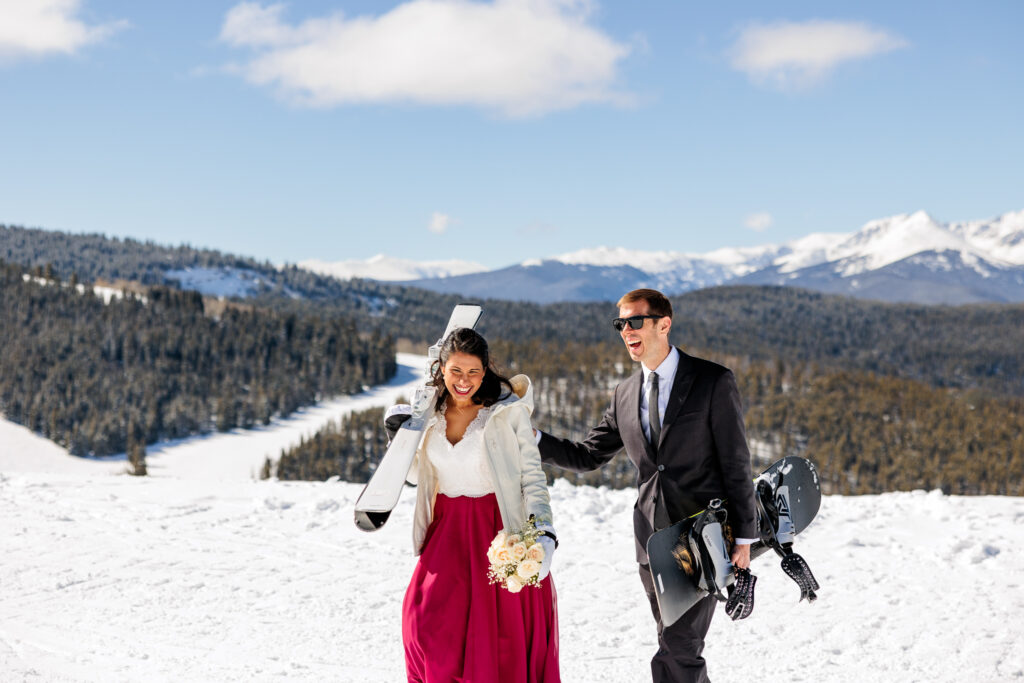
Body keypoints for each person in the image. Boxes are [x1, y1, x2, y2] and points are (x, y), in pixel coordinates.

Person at [535, 288, 756, 683]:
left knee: (680, 647)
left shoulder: (711, 381)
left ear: (663, 324)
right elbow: (588, 456)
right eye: (620, 323)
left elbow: (736, 462)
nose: (626, 330)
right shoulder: (624, 394)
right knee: (673, 642)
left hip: (700, 539)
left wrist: (744, 536)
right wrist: (531, 440)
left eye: (635, 321)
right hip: (650, 543)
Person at [396, 327, 560, 683]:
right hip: (446, 532)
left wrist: (544, 530)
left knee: (498, 642)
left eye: (473, 372)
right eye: (456, 371)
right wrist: (400, 436)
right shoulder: (430, 415)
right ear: (441, 369)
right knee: (423, 622)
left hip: (497, 531)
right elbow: (415, 474)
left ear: (485, 371)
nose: (464, 381)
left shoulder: (506, 414)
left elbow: (531, 476)